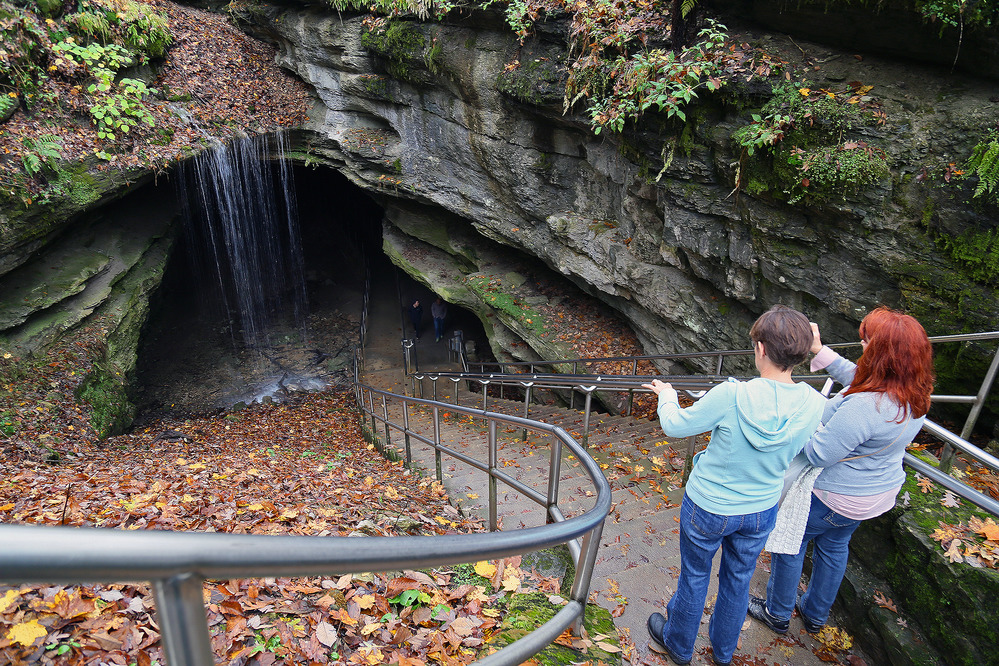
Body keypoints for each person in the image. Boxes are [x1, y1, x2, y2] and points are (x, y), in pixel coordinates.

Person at [642, 305, 826, 666]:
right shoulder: (815, 404)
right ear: (803, 353)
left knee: (695, 576)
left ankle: (679, 645)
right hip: (760, 509)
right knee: (738, 580)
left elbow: (676, 426)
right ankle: (723, 652)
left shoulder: (732, 395)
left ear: (760, 348)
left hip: (709, 504)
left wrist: (666, 394)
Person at [748, 307, 933, 637]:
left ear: (881, 352)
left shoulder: (866, 407)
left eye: (867, 341)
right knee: (834, 547)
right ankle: (816, 613)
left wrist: (792, 422)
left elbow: (820, 453)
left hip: (835, 494)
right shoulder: (914, 391)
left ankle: (777, 613)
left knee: (790, 543)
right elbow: (857, 375)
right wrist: (820, 351)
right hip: (874, 493)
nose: (862, 346)